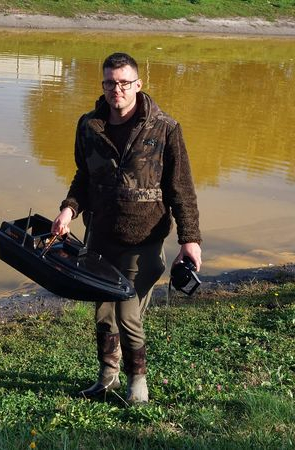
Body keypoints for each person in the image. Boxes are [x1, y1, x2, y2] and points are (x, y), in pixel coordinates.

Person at [51, 52, 202, 404]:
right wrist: (68, 210)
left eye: (123, 83)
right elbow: (84, 177)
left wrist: (190, 239)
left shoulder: (165, 128)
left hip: (144, 239)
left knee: (128, 312)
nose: (116, 89)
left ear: (138, 84)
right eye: (109, 82)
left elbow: (181, 188)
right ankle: (108, 377)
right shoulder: (89, 126)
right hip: (100, 236)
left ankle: (138, 382)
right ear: (102, 85)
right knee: (104, 312)